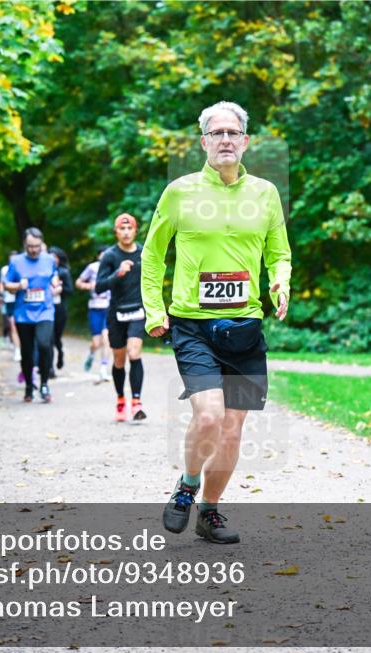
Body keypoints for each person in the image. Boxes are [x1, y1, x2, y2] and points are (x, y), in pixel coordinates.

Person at [141, 101, 292, 544]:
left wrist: (280, 282)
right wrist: (154, 310)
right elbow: (152, 254)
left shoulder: (265, 193)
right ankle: (187, 487)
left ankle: (209, 512)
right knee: (208, 417)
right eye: (216, 133)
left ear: (245, 141)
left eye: (233, 133)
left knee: (231, 429)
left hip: (244, 325)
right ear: (203, 142)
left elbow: (279, 252)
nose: (225, 139)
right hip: (192, 324)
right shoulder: (179, 192)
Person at [97, 214, 148, 422]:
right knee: (119, 360)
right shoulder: (109, 256)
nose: (126, 232)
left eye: (129, 228)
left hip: (138, 311)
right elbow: (99, 286)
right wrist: (118, 273)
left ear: (135, 231)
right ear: (116, 232)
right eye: (122, 229)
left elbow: (153, 281)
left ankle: (136, 402)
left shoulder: (145, 253)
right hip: (117, 313)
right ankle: (120, 399)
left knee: (134, 353)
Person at [4, 229, 60, 403]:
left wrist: (56, 284)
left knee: (44, 345)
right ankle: (29, 385)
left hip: (45, 310)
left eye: (37, 246)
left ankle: (44, 384)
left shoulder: (49, 259)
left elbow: (54, 276)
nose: (33, 250)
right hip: (23, 313)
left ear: (41, 244)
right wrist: (18, 286)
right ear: (24, 244)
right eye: (30, 246)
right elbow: (6, 285)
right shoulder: (16, 261)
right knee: (27, 352)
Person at [76, 247, 111, 382]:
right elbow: (78, 282)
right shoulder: (92, 268)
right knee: (96, 343)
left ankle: (103, 368)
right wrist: (88, 286)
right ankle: (91, 354)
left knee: (107, 338)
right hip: (95, 307)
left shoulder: (113, 267)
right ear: (98, 256)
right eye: (102, 255)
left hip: (109, 306)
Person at [49, 247, 73, 376]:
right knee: (49, 338)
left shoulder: (64, 272)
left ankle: (60, 353)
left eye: (55, 257)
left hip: (59, 309)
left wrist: (59, 288)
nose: (52, 259)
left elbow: (70, 290)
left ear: (59, 258)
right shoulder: (43, 271)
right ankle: (49, 368)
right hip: (46, 309)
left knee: (56, 338)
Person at [0, 251, 21, 363]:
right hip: (9, 300)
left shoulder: (24, 267)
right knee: (13, 325)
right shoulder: (5, 270)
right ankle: (17, 349)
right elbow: (2, 284)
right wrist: (1, 293)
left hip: (21, 301)